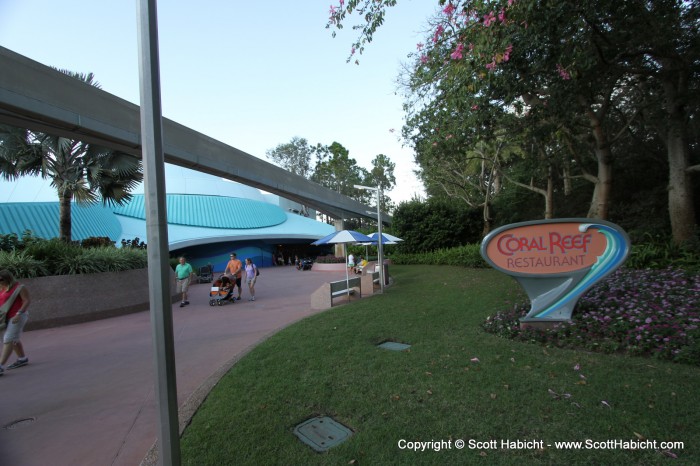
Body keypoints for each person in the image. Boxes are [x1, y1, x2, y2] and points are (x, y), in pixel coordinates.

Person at [0, 269, 31, 376]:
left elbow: (26, 300)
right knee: (14, 338)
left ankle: (0, 365)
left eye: (1, 280)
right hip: (5, 317)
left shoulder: (19, 287)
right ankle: (22, 358)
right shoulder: (2, 288)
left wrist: (19, 313)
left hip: (18, 316)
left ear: (7, 278)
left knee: (8, 338)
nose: (0, 282)